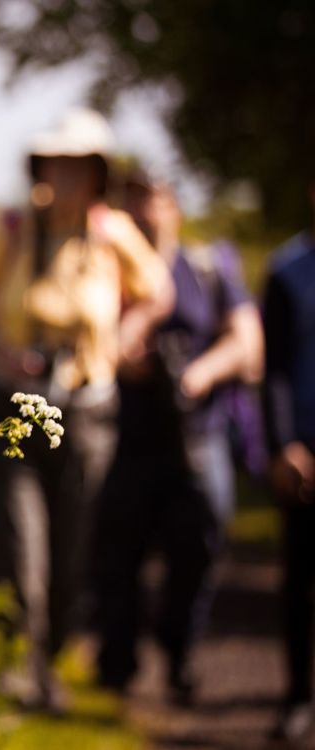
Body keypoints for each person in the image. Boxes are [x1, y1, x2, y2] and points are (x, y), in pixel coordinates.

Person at [0, 109, 174, 712]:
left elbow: (157, 292)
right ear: (39, 166)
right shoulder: (11, 227)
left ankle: (50, 666)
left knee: (76, 548)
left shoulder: (112, 232)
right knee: (19, 543)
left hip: (87, 408)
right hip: (5, 404)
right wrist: (7, 356)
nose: (66, 174)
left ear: (99, 173)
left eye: (79, 165)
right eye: (56, 162)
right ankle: (15, 667)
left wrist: (126, 336)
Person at [92, 175, 263, 704]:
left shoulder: (207, 268)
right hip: (125, 437)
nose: (147, 213)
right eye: (135, 203)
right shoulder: (105, 274)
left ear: (176, 212)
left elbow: (248, 344)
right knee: (116, 554)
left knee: (200, 544)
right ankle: (116, 667)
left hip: (197, 435)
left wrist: (199, 375)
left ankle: (179, 649)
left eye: (158, 202)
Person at [264, 182, 315, 743]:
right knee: (299, 581)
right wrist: (283, 445)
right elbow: (274, 368)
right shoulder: (287, 271)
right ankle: (298, 696)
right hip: (304, 452)